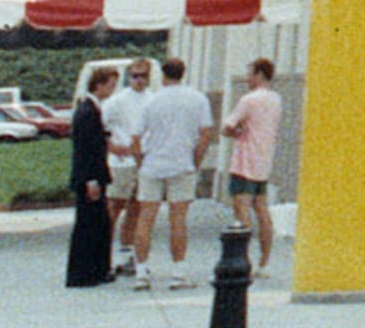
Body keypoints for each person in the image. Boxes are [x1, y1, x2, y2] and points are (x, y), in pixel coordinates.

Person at [132, 57, 218, 291]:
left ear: (162, 74)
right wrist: (196, 161)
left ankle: (141, 272)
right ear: (183, 73)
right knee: (178, 219)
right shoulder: (197, 99)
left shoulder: (152, 101)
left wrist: (141, 162)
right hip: (182, 164)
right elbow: (205, 134)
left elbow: (136, 137)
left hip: (153, 164)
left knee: (145, 218)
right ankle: (178, 272)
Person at [219, 58, 284, 264]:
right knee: (262, 210)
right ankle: (264, 260)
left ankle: (242, 258)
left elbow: (227, 126)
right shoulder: (276, 99)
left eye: (249, 74)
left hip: (244, 161)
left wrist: (236, 132)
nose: (247, 78)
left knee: (241, 209)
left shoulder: (248, 100)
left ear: (259, 74)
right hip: (263, 161)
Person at [65, 65, 120, 289]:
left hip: (92, 176)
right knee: (90, 225)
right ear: (99, 85)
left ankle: (96, 269)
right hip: (90, 177)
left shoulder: (89, 110)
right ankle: (84, 273)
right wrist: (91, 180)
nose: (113, 90)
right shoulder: (88, 112)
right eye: (110, 85)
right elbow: (86, 150)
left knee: (98, 224)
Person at [102, 57, 153, 282]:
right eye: (135, 76)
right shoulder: (116, 101)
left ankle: (128, 256)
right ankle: (104, 256)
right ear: (128, 77)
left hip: (143, 162)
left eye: (143, 76)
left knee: (136, 209)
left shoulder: (153, 100)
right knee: (114, 208)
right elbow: (101, 129)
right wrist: (114, 148)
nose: (139, 80)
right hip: (121, 163)